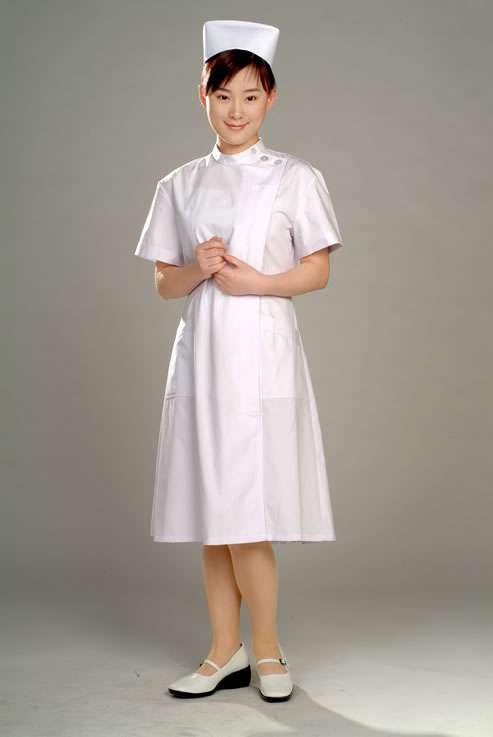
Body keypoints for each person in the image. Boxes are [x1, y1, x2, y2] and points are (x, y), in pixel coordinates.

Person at [134, 19, 344, 702]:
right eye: (222, 95)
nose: (235, 110)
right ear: (203, 96)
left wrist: (259, 282)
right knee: (214, 508)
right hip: (203, 357)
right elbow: (164, 284)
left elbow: (317, 271)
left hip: (262, 357)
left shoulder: (295, 177)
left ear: (270, 98)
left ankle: (268, 649)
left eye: (250, 96)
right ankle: (224, 651)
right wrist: (197, 267)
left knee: (248, 510)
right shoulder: (179, 184)